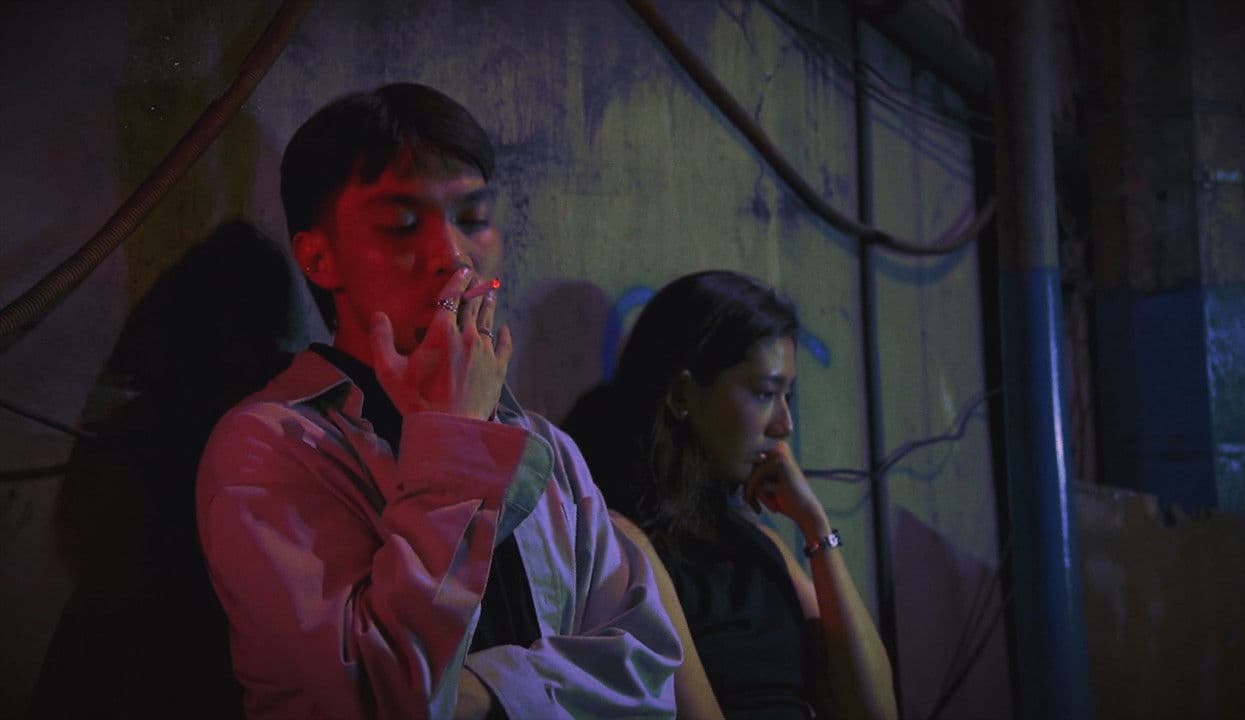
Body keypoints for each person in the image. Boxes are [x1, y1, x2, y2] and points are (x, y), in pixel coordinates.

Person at [195, 83, 680, 719]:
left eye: (473, 219)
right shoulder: (270, 446)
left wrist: (481, 695)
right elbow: (377, 697)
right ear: (319, 258)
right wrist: (453, 437)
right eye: (401, 225)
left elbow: (648, 679)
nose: (453, 256)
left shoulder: (546, 447)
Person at [563, 270, 898, 720]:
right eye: (765, 394)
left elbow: (875, 710)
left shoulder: (759, 543)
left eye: (788, 396)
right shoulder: (626, 545)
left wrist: (815, 527)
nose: (784, 425)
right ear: (683, 395)